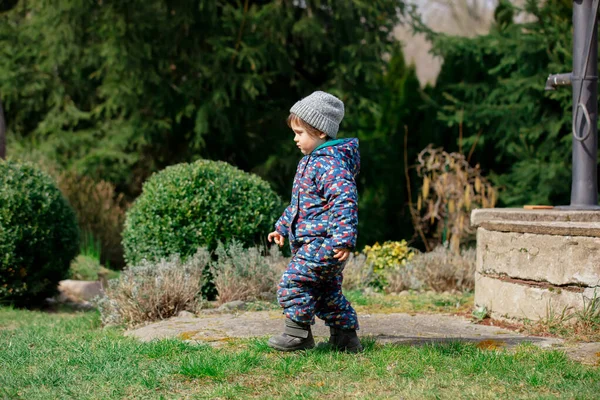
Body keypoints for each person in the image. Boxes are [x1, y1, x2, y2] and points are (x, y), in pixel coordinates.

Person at [267, 90, 362, 352]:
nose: (295, 139)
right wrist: (282, 226)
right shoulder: (311, 162)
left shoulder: (330, 164)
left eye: (300, 133)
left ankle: (298, 334)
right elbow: (300, 205)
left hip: (323, 243)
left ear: (320, 132)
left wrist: (343, 239)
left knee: (294, 281)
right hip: (318, 243)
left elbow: (344, 201)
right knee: (327, 293)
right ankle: (345, 339)